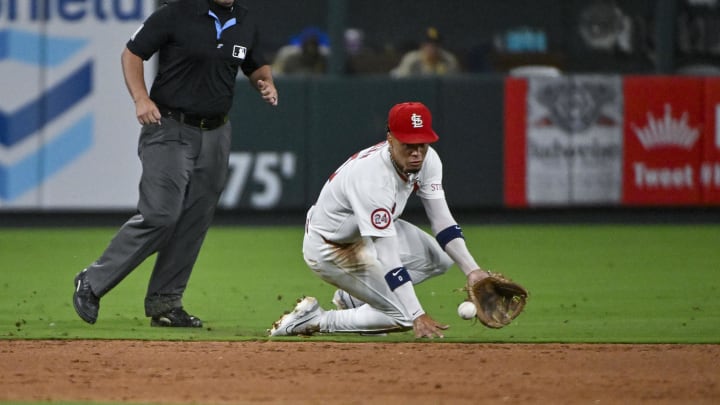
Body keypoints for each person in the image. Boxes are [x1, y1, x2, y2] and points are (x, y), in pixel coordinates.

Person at [72, 0, 278, 328]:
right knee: (161, 215)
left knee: (193, 220)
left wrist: (263, 82)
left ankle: (166, 303)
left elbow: (256, 65)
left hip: (216, 132)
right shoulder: (177, 12)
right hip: (169, 126)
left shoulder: (245, 20)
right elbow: (132, 53)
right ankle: (92, 281)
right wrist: (141, 97)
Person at [269, 102, 490, 339]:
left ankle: (352, 297)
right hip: (331, 247)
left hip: (365, 233)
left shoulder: (429, 160)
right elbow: (387, 256)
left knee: (441, 258)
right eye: (408, 145)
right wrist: (417, 313)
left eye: (422, 144)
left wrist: (473, 271)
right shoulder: (372, 179)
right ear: (390, 139)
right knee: (404, 315)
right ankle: (316, 319)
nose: (417, 153)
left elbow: (442, 221)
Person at [390, 27, 460, 78]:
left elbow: (455, 83)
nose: (432, 47)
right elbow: (399, 78)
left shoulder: (448, 60)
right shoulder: (412, 59)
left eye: (436, 44)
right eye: (428, 44)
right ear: (422, 46)